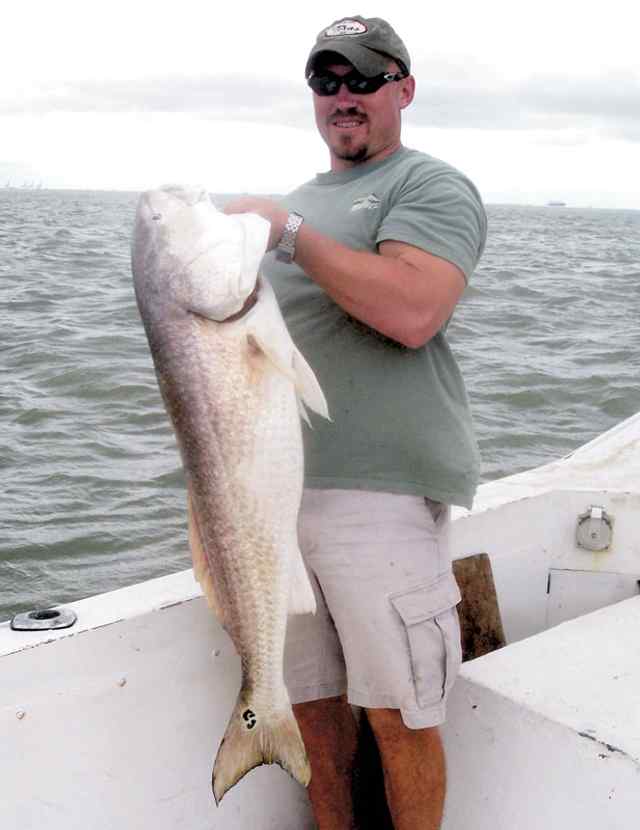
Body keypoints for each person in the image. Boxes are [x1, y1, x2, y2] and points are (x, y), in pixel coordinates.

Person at [225, 15, 487, 830]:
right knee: (311, 718)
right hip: (274, 510)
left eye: (364, 79)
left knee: (400, 718)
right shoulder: (292, 209)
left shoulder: (428, 186)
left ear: (402, 89)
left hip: (379, 497)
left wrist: (291, 236)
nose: (343, 96)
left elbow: (414, 311)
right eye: (326, 81)